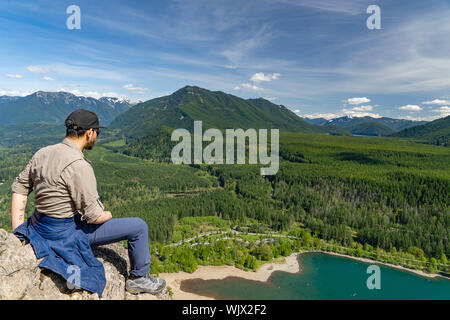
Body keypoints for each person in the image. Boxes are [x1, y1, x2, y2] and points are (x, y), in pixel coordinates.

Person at [11, 109, 166, 297]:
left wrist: (18, 229)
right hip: (66, 233)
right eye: (97, 133)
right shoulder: (79, 164)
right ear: (89, 133)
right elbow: (94, 217)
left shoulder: (42, 153)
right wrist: (108, 214)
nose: (97, 137)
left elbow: (20, 188)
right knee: (139, 227)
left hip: (39, 228)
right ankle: (139, 279)